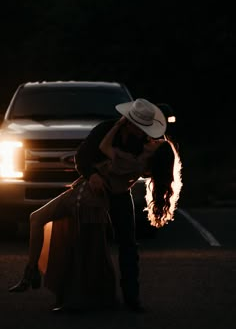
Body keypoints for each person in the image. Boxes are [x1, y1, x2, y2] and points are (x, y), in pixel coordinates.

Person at [9, 98, 182, 313]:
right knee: (84, 239)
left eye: (147, 128)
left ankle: (130, 297)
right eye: (141, 127)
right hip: (93, 190)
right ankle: (45, 277)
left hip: (118, 194)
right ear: (129, 123)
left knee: (127, 243)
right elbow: (82, 157)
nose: (146, 133)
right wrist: (92, 176)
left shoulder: (145, 145)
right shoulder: (105, 129)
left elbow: (143, 163)